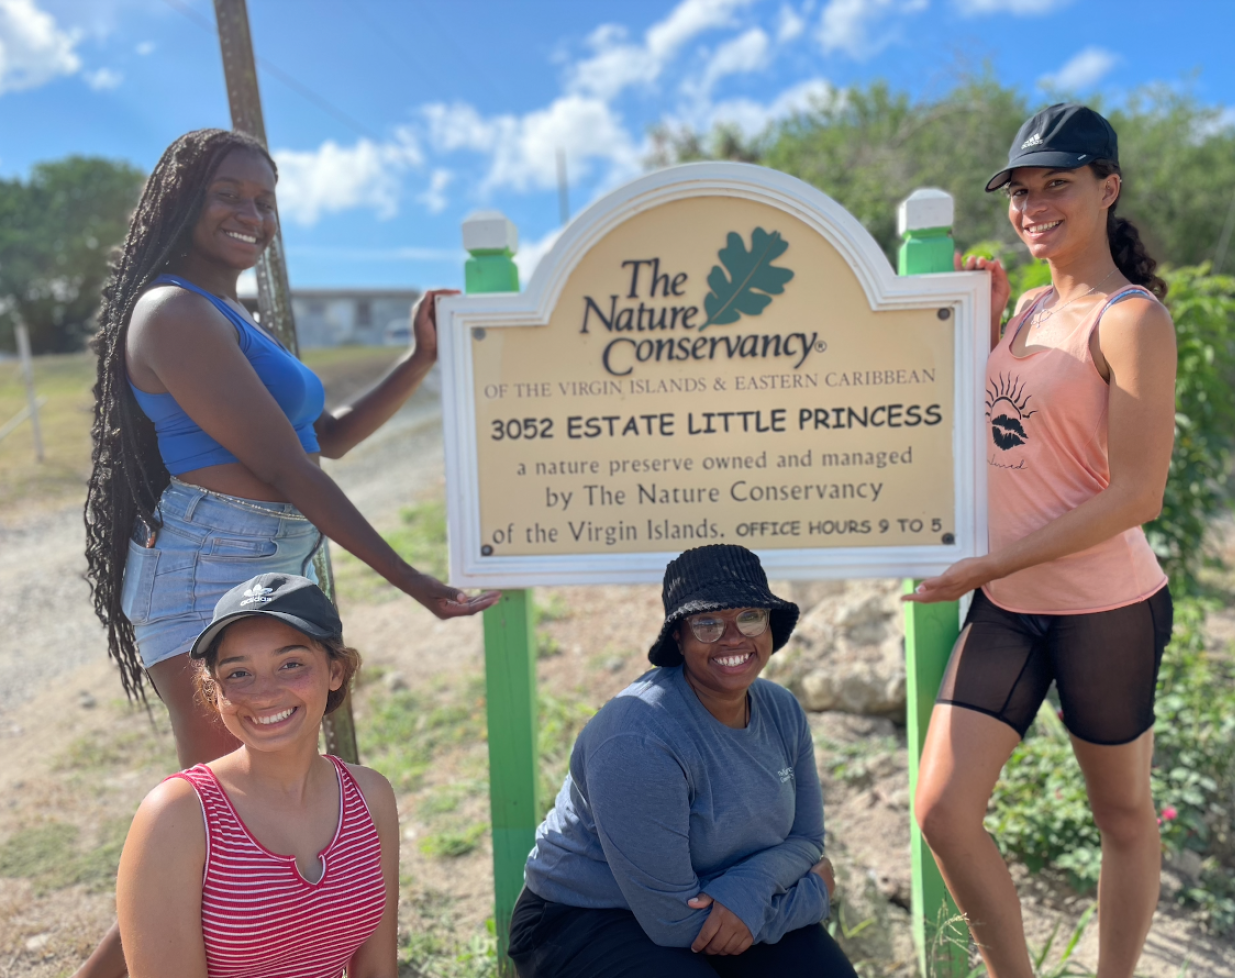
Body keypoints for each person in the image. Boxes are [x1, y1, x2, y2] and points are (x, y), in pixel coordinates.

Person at [79, 128, 494, 978]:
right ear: (181, 199)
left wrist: (419, 359)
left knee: (265, 807)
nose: (250, 211)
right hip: (204, 571)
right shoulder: (173, 312)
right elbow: (282, 468)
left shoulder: (236, 316)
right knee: (214, 821)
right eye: (229, 193)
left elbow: (325, 439)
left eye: (264, 200)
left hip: (263, 566)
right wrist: (415, 583)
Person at [905, 104, 1177, 977]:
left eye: (1057, 184)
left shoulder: (1132, 320)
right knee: (943, 809)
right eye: (1021, 191)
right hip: (1012, 605)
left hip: (1106, 608)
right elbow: (1007, 433)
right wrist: (975, 320)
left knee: (1124, 819)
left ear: (1109, 187)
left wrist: (990, 563)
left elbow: (1139, 495)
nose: (1033, 206)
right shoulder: (1023, 308)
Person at [509, 544, 857, 978]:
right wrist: (811, 899)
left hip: (726, 894)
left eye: (750, 616)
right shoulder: (638, 736)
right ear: (679, 637)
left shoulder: (782, 709)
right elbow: (675, 922)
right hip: (587, 916)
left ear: (769, 625)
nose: (734, 637)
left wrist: (750, 887)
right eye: (707, 624)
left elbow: (805, 839)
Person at [116, 573, 398, 978]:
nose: (264, 693)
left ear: (336, 671)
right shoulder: (177, 817)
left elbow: (376, 971)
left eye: (291, 664)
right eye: (238, 673)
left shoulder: (370, 796)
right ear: (214, 691)